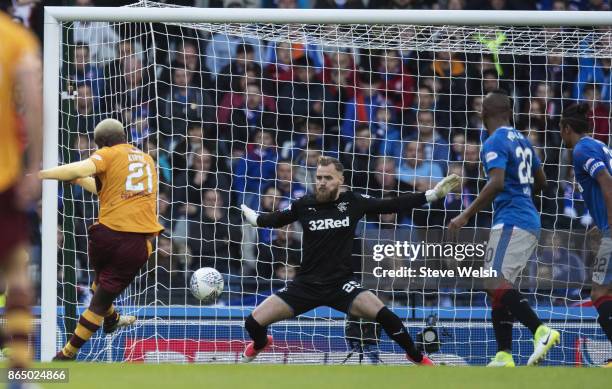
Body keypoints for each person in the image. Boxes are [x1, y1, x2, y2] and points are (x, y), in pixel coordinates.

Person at [240, 156, 459, 365]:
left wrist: (430, 195)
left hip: (341, 284)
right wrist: (255, 219)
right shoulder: (303, 204)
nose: (322, 183)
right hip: (305, 285)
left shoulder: (353, 202)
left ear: (340, 180)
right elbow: (276, 219)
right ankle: (261, 343)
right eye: (319, 178)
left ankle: (416, 357)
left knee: (387, 316)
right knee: (252, 322)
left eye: (328, 178)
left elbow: (391, 205)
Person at [448, 89, 560, 367]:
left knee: (493, 281)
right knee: (497, 285)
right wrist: (520, 193)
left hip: (512, 220)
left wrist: (465, 215)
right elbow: (542, 180)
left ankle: (540, 331)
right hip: (524, 218)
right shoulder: (522, 139)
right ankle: (503, 355)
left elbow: (497, 182)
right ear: (509, 112)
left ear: (483, 113)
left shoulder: (493, 140)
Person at [39, 119, 164, 360]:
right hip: (133, 242)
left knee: (100, 287)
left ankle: (112, 319)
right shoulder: (147, 160)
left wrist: (42, 174)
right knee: (99, 300)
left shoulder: (107, 154)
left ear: (103, 144)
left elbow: (80, 172)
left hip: (104, 236)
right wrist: (75, 177)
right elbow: (105, 189)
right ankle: (67, 354)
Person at [0, 9, 42, 384]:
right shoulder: (15, 39)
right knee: (16, 272)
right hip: (5, 175)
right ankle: (19, 370)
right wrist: (37, 164)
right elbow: (33, 96)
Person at [559, 103, 612, 367]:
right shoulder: (598, 145)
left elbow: (606, 181)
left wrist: (610, 227)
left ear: (567, 128)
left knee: (600, 292)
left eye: (561, 130)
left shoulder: (581, 150)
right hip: (606, 226)